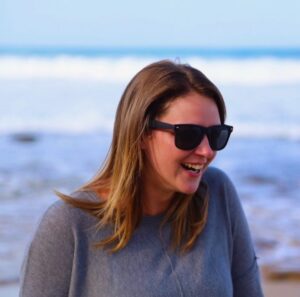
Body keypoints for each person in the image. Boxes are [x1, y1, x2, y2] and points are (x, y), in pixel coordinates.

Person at [20, 60, 264, 297]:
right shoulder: (68, 225)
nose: (207, 151)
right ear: (141, 134)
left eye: (216, 135)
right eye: (189, 135)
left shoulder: (217, 194)